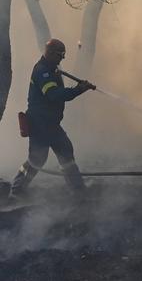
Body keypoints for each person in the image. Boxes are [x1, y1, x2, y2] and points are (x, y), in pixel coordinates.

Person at [10, 38, 95, 199]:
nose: (62, 58)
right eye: (60, 55)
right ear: (50, 53)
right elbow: (54, 95)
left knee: (66, 151)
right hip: (39, 124)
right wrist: (79, 89)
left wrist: (79, 88)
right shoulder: (42, 71)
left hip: (51, 124)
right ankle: (17, 190)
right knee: (37, 159)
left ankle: (78, 190)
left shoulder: (51, 69)